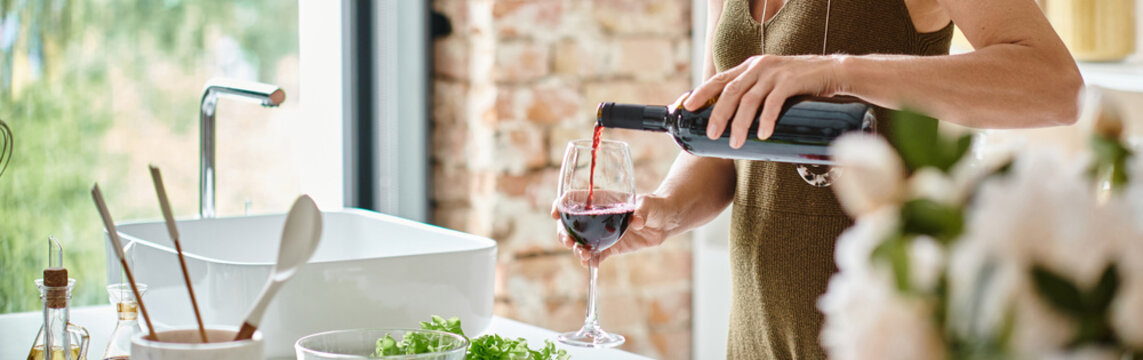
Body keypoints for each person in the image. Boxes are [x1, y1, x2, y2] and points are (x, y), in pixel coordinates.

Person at [553, 0, 1083, 358]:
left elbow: (1056, 85)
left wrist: (840, 70)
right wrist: (667, 207)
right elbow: (729, 131)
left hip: (879, 338)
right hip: (753, 337)